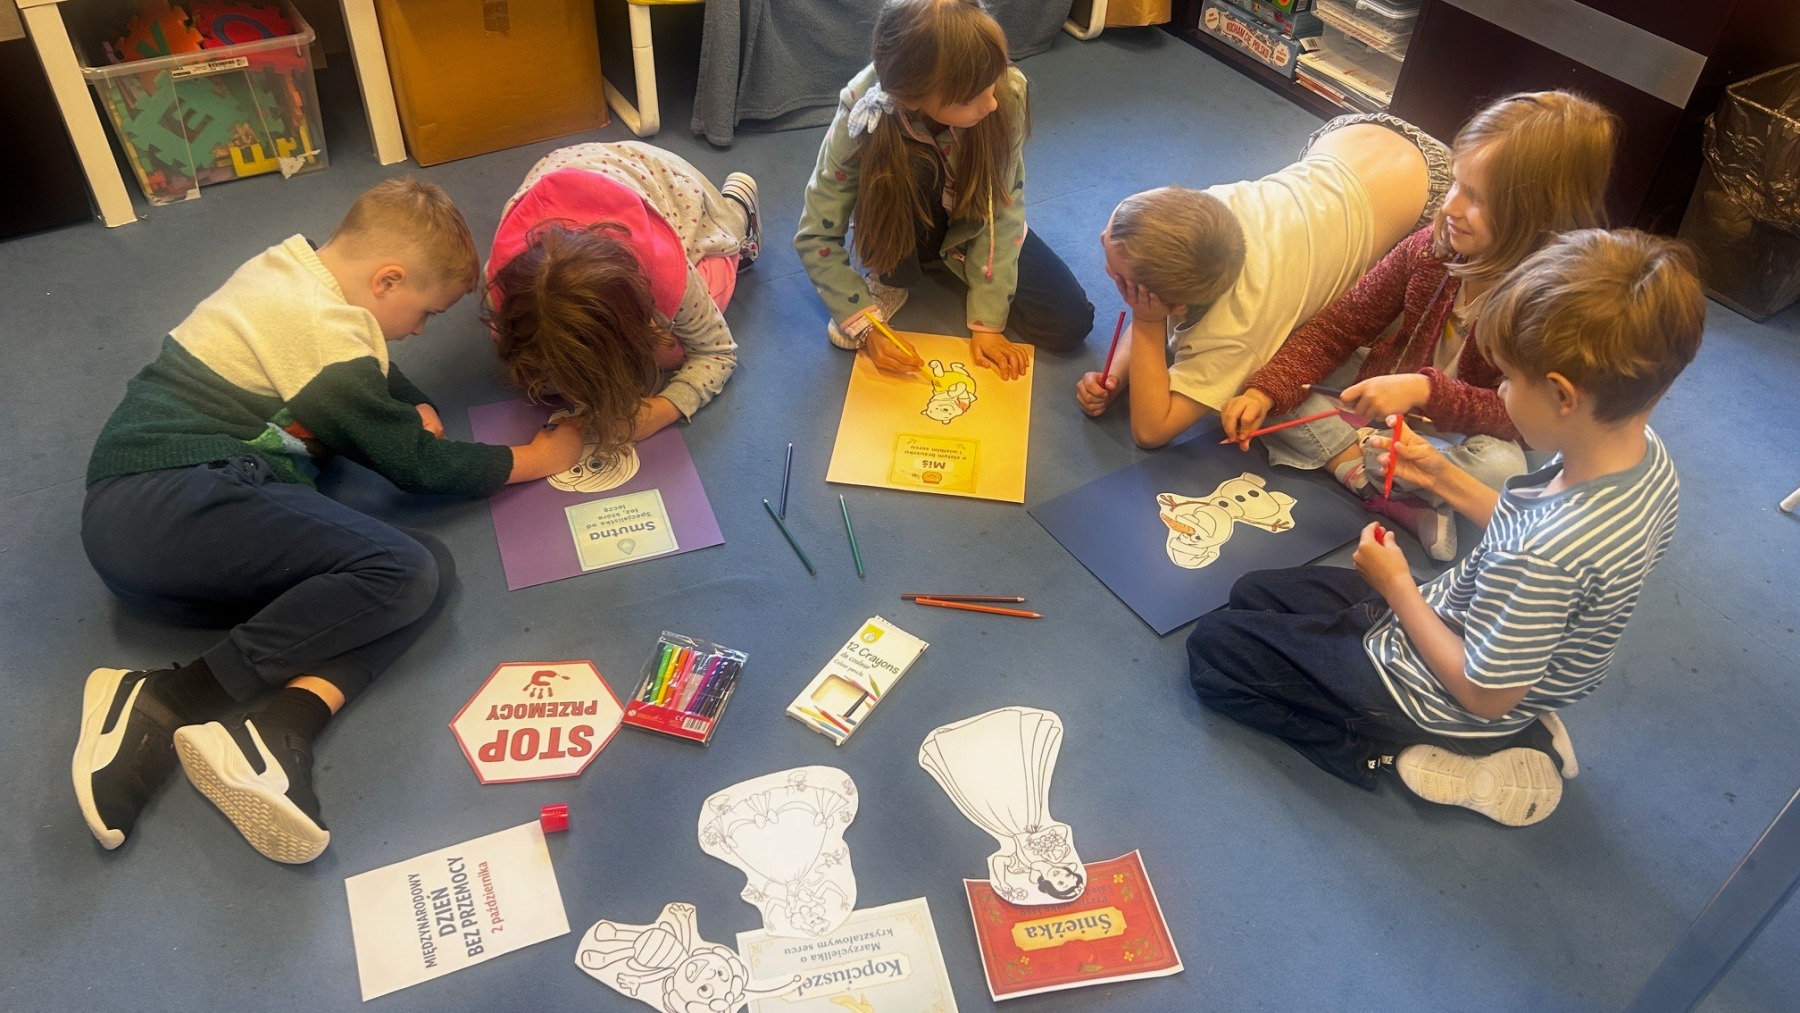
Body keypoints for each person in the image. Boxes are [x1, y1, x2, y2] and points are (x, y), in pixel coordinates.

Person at [73, 179, 588, 864]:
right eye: (425, 313)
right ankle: (169, 698)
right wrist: (538, 457)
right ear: (387, 280)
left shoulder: (296, 272)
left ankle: (282, 727)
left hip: (170, 546)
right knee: (401, 567)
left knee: (427, 572)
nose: (418, 331)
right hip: (163, 497)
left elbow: (371, 366)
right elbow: (416, 465)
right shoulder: (319, 326)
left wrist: (412, 402)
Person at [1185, 229, 1704, 827]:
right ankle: (1518, 714)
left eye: (1508, 379)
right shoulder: (1643, 456)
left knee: (1215, 651)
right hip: (1464, 623)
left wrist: (1397, 587)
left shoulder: (1547, 555)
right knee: (1251, 592)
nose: (1500, 390)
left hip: (1443, 692)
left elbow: (1484, 692)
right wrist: (1441, 476)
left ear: (1562, 395)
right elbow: (1529, 524)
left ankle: (1403, 748)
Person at [1218, 92, 1617, 560]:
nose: (1451, 207)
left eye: (1478, 199)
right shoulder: (1431, 247)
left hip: (1460, 436)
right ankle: (1388, 486)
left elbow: (1521, 420)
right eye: (1456, 183)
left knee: (1501, 470)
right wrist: (1266, 390)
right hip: (1383, 403)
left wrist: (1426, 392)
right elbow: (1341, 326)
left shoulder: (1553, 305)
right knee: (1272, 377)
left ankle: (1362, 462)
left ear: (1541, 214)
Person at [1077, 109, 1454, 445]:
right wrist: (1116, 377)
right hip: (1354, 134)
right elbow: (1158, 297)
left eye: (1117, 275)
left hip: (1430, 190)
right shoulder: (1207, 213)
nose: (1100, 239)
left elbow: (1151, 430)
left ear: (1174, 306)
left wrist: (1146, 322)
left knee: (1390, 299)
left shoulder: (1236, 330)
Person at [796, 0, 1093, 382]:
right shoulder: (863, 106)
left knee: (1069, 323)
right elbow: (816, 234)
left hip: (972, 221)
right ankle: (892, 273)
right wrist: (867, 327)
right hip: (906, 217)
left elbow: (1003, 209)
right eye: (971, 98)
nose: (992, 102)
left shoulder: (1006, 93)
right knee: (913, 166)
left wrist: (988, 322)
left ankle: (951, 260)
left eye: (993, 80)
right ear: (916, 97)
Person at [486, 141, 760, 456]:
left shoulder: (664, 272)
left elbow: (718, 353)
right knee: (535, 375)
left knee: (671, 351)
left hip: (677, 191)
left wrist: (661, 409)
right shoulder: (504, 296)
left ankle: (737, 210)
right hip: (579, 175)